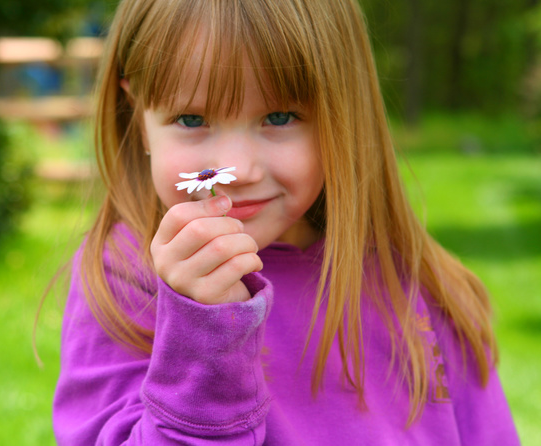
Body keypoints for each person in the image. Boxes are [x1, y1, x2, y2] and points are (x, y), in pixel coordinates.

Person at [52, 0, 520, 444]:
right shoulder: (126, 277)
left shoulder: (423, 285)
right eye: (191, 119)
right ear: (137, 110)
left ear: (343, 114)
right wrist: (204, 331)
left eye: (279, 117)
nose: (238, 170)